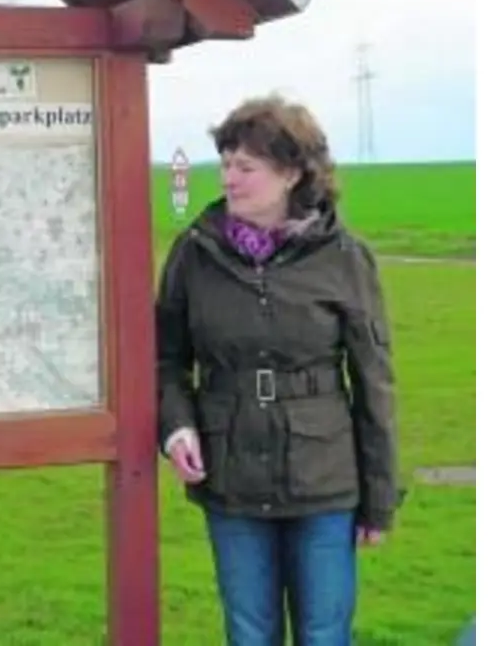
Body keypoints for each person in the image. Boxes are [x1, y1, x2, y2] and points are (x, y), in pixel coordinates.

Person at [154, 95, 401, 645]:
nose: (229, 179)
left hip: (325, 482)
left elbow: (374, 382)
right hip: (232, 476)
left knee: (323, 633)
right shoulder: (195, 253)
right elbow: (165, 357)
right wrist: (176, 427)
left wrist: (379, 499)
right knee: (249, 633)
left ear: (291, 173)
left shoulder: (344, 258)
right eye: (226, 164)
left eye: (246, 167)